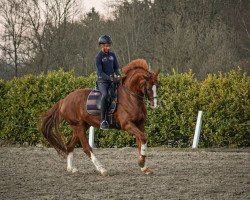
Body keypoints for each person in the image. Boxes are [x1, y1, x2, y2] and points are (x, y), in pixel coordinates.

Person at [96, 35, 121, 130]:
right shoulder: (98, 57)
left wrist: (118, 75)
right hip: (102, 81)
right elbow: (100, 72)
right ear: (101, 46)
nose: (108, 47)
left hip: (112, 80)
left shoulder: (112, 55)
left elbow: (116, 68)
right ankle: (103, 120)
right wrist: (110, 78)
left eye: (109, 45)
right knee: (106, 95)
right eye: (106, 46)